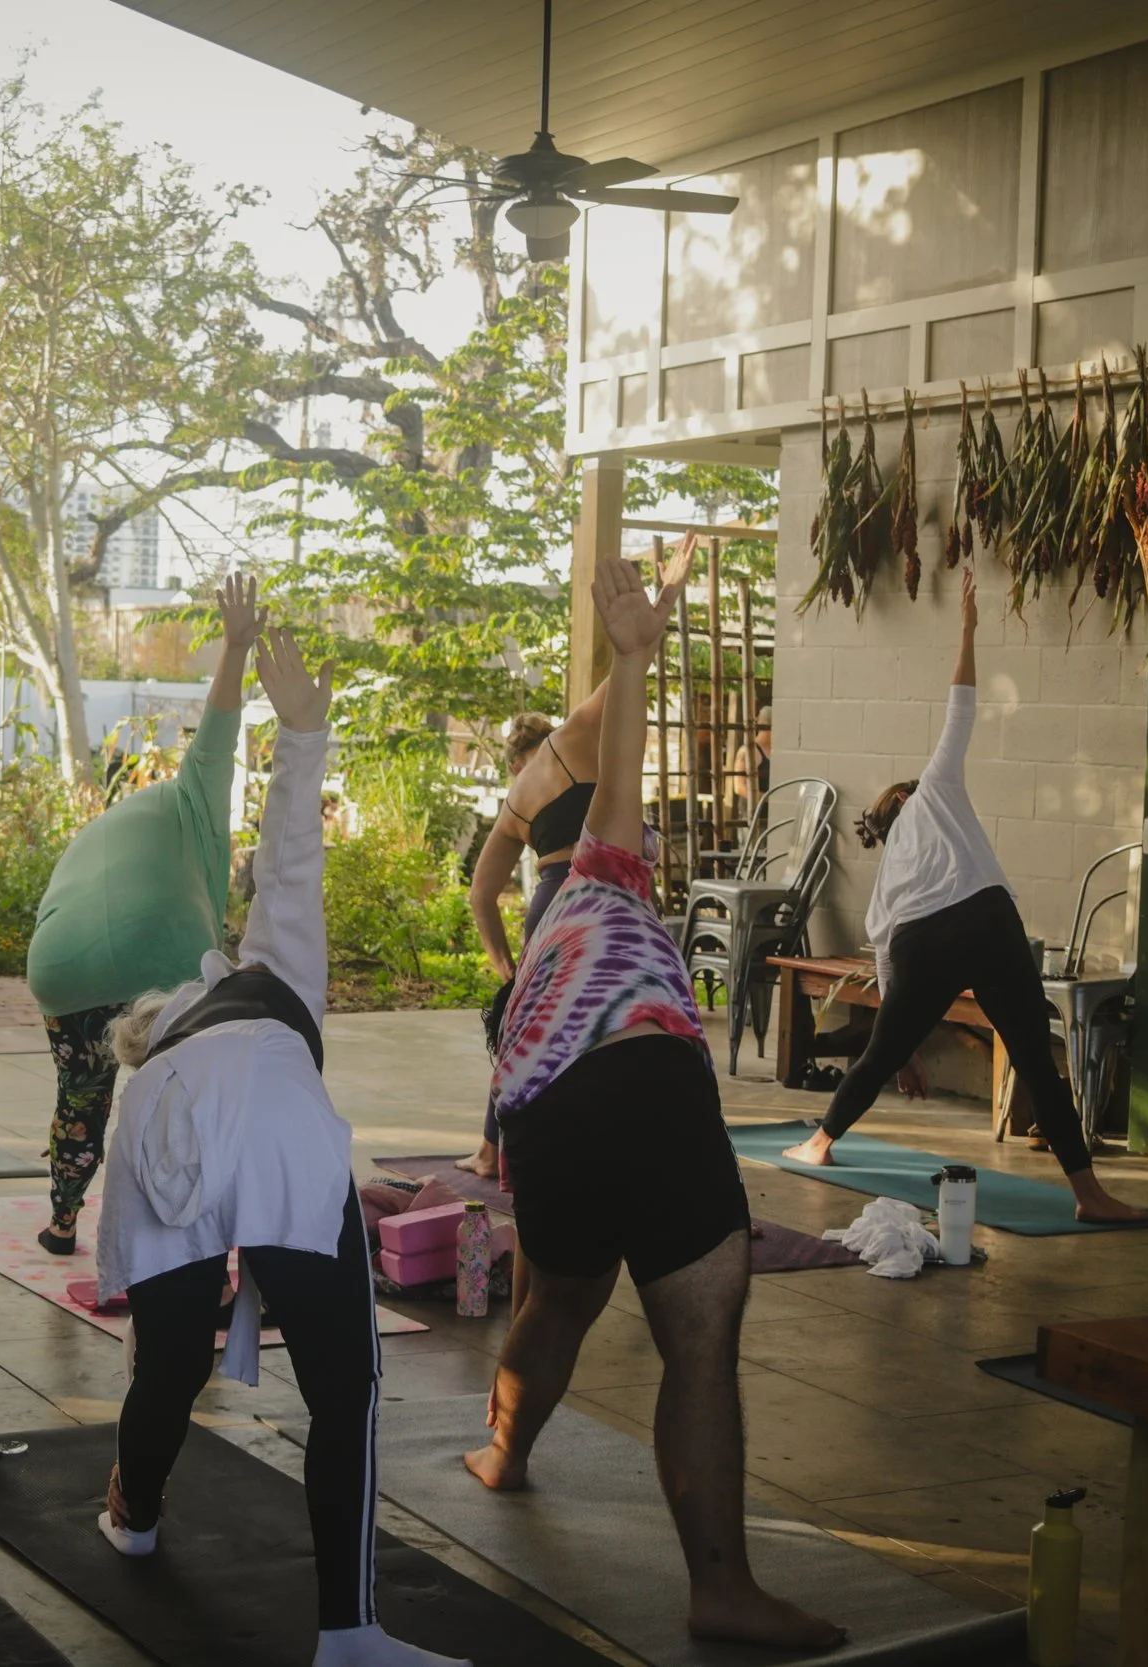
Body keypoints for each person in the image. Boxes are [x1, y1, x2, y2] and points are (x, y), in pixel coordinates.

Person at [462, 549, 841, 1653]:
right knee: (699, 1338)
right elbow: (618, 768)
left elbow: (489, 890)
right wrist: (633, 654)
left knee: (557, 1300)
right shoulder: (609, 871)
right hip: (644, 1083)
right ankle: (720, 1586)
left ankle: (503, 1452)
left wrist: (637, 643)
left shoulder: (533, 969)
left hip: (538, 1106)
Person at [95, 628, 463, 1667]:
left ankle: (133, 1515)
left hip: (163, 1137)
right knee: (345, 1386)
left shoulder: (153, 1076)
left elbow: (149, 1322)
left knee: (165, 1365)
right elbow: (288, 869)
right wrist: (301, 733)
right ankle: (348, 1632)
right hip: (276, 1128)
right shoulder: (263, 987)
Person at [780, 570, 1148, 1225]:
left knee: (877, 1057)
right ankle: (1089, 1194)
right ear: (903, 798)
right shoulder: (936, 789)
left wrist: (907, 1049)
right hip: (989, 918)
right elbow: (961, 707)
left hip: (923, 938)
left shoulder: (886, 883)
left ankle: (818, 1142)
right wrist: (970, 629)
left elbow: (893, 972)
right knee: (1037, 1057)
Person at [23, 574, 263, 1255]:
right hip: (159, 957)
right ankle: (190, 1228)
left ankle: (62, 1222)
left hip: (59, 966)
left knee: (81, 1093)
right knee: (184, 1088)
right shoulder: (196, 800)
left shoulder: (114, 826)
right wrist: (237, 646)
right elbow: (219, 726)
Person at [459, 683, 608, 1178]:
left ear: (515, 761)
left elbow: (481, 893)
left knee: (523, 1028)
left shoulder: (522, 793)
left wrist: (503, 965)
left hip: (558, 901)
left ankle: (489, 1149)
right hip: (618, 898)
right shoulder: (585, 743)